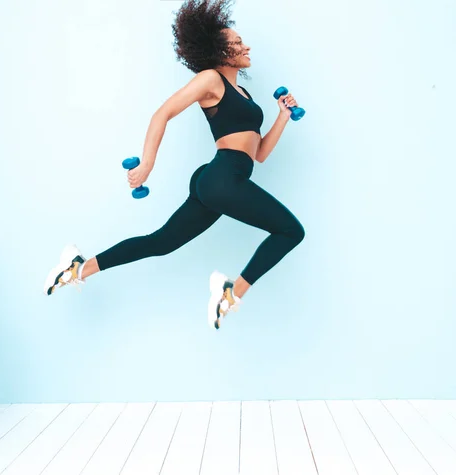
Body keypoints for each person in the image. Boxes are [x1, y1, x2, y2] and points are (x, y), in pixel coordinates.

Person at [43, 0, 305, 330]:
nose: (245, 46)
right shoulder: (211, 80)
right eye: (236, 43)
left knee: (161, 242)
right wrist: (148, 164)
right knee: (290, 230)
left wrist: (282, 116)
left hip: (221, 179)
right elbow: (162, 113)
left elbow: (260, 153)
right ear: (220, 51)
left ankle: (79, 268)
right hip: (223, 178)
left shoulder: (245, 93)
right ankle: (231, 293)